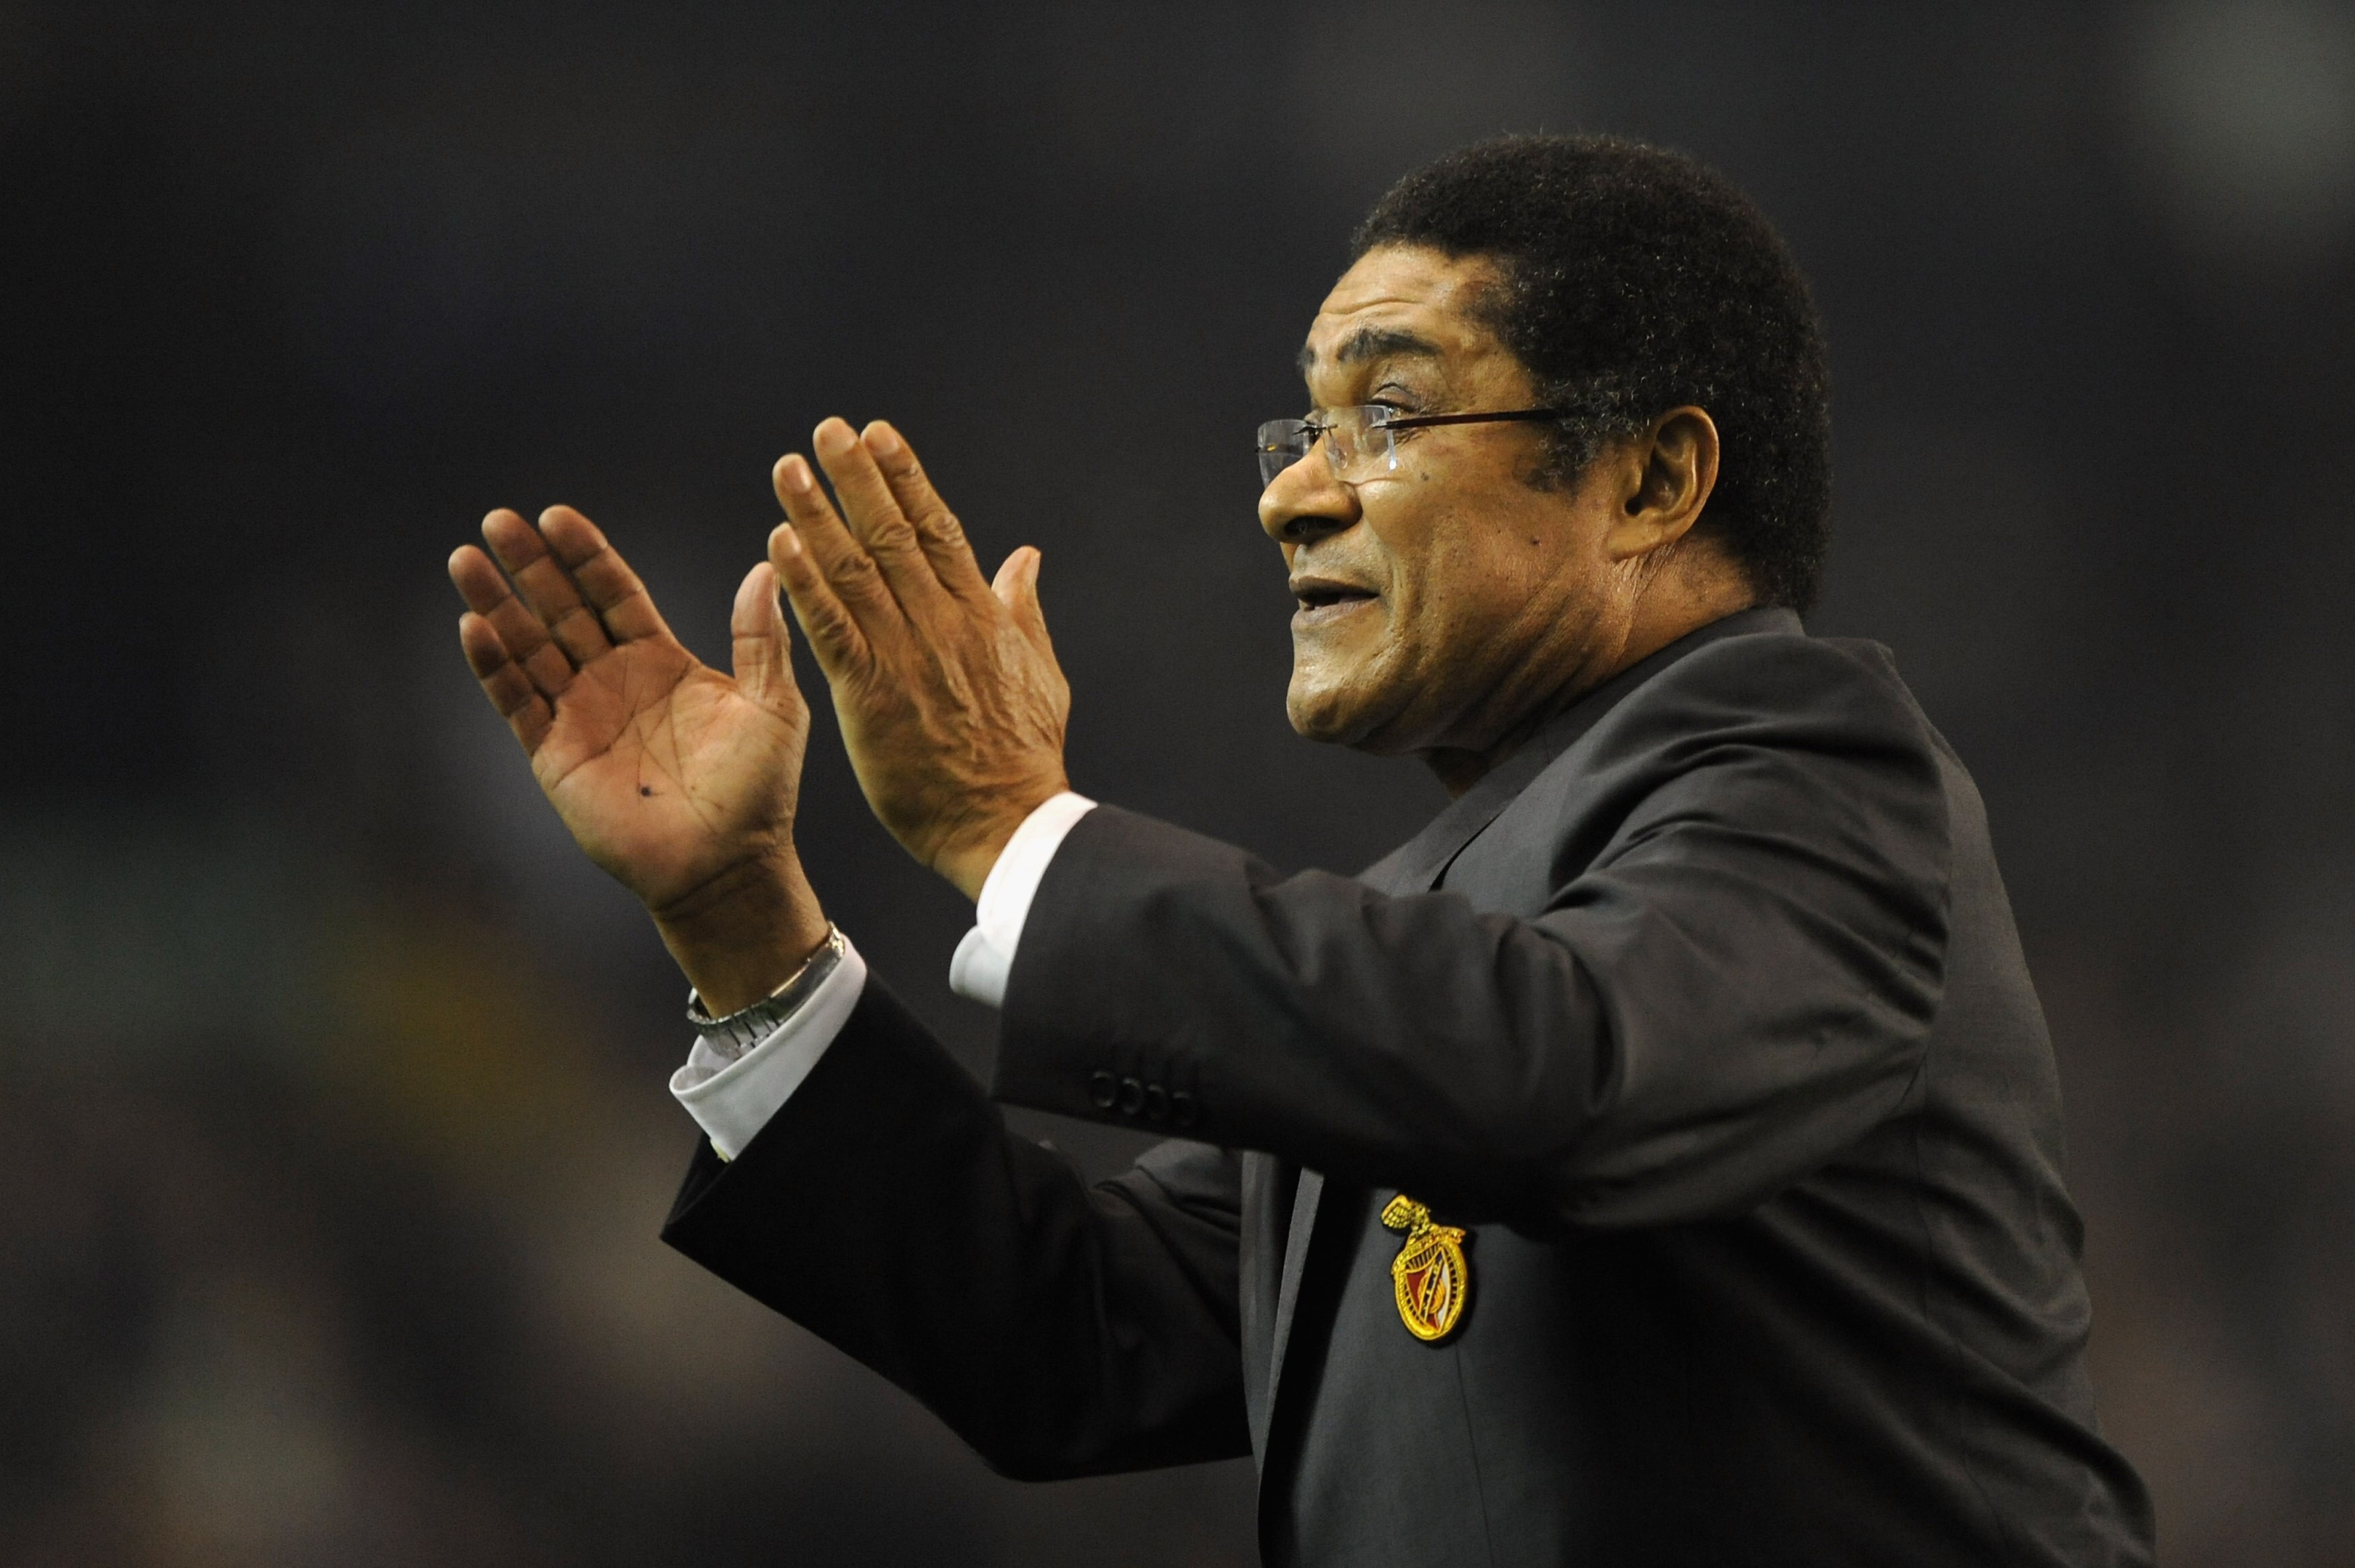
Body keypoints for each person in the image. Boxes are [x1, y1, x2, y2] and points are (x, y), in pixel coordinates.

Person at [447, 135, 2156, 1565]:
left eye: (1392, 418)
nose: (1292, 494)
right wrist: (744, 920)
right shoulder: (1440, 922)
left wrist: (1004, 823)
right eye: (1304, 428)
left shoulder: (1815, 769)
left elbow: (1565, 1076)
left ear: (1651, 479)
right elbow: (1082, 1336)